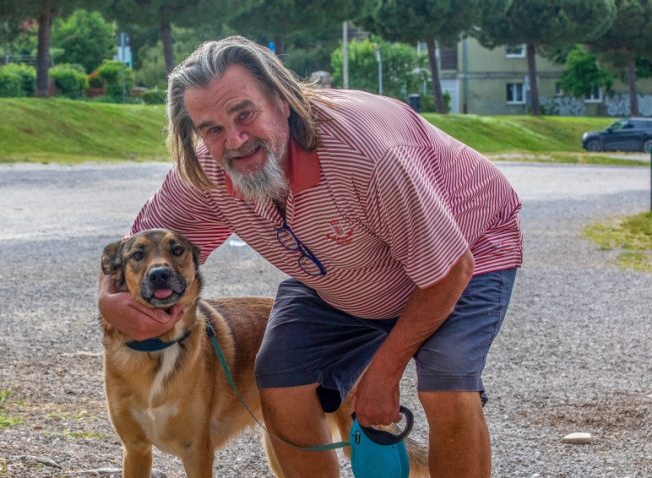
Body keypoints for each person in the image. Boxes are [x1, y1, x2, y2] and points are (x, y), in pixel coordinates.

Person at [98, 36, 522, 478]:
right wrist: (110, 301)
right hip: (342, 274)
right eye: (212, 129)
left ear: (282, 100)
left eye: (245, 114)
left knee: (447, 387)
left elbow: (450, 271)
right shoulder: (206, 169)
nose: (236, 140)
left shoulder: (364, 154)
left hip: (463, 251)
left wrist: (383, 374)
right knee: (281, 378)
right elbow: (130, 250)